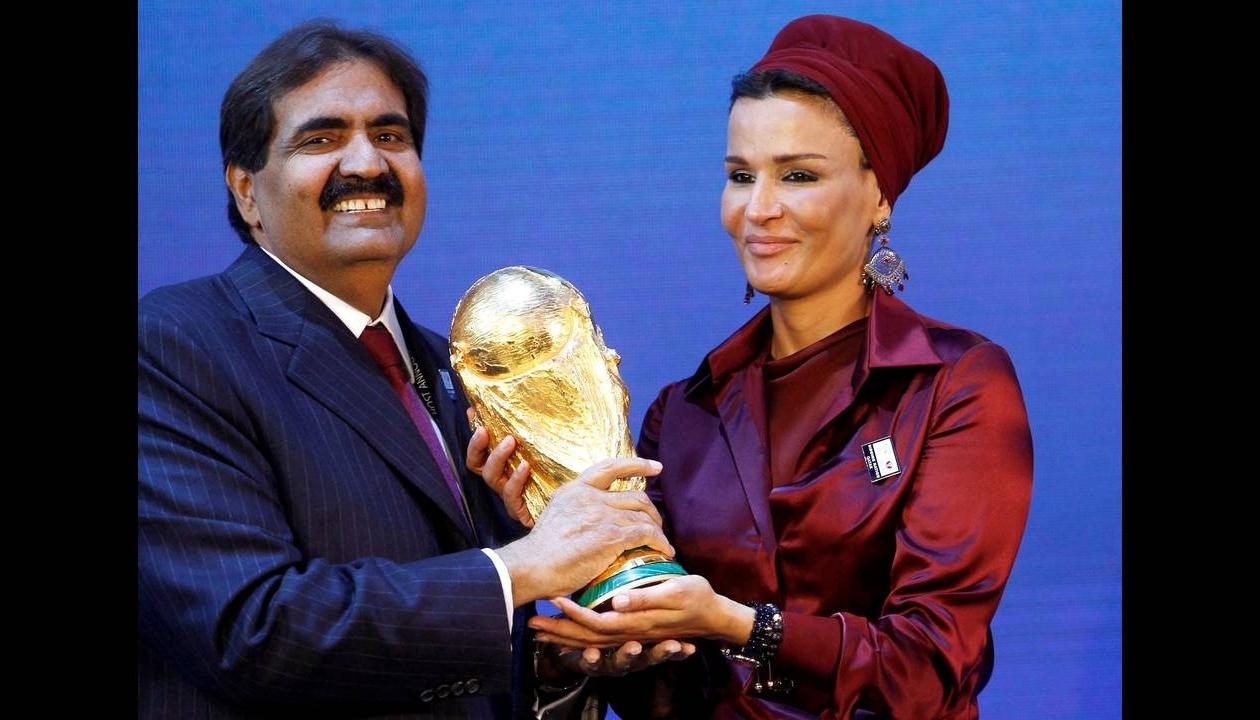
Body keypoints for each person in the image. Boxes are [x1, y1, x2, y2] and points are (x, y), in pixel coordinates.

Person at [138, 21, 680, 719]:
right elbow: (251, 630)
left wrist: (554, 664)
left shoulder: (457, 370)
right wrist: (525, 566)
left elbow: (452, 643)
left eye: (390, 135)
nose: (367, 163)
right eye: (321, 139)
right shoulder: (176, 346)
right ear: (247, 191)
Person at [502, 15, 1034, 719]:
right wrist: (589, 620)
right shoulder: (683, 413)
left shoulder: (955, 384)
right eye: (740, 176)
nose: (758, 209)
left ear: (880, 195)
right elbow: (670, 686)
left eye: (798, 176)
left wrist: (740, 625)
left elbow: (927, 668)